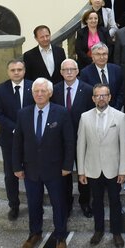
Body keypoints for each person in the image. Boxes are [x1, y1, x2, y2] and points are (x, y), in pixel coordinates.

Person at [13, 78, 74, 248]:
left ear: (50, 93)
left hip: (55, 169)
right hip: (31, 169)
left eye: (43, 91)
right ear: (32, 94)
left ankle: (60, 236)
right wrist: (17, 166)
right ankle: (34, 233)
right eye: (36, 91)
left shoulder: (61, 113)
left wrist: (67, 165)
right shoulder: (23, 114)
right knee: (33, 203)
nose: (39, 94)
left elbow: (69, 142)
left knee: (58, 204)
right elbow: (17, 143)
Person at [77, 83, 125, 248]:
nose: (101, 98)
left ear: (110, 97)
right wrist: (81, 171)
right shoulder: (85, 117)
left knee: (115, 202)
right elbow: (81, 145)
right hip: (92, 168)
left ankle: (116, 232)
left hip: (113, 169)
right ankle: (98, 230)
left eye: (104, 95)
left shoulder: (120, 117)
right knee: (97, 202)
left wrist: (123, 170)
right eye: (97, 95)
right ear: (93, 98)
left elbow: (124, 145)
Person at [51, 59, 95, 216]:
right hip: (61, 141)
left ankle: (85, 202)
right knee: (65, 174)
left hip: (82, 139)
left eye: (72, 69)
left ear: (77, 71)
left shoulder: (89, 90)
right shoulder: (54, 90)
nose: (69, 72)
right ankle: (67, 203)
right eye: (65, 69)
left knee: (84, 172)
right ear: (61, 72)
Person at [0, 59, 33, 220]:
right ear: (8, 72)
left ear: (24, 71)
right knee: (11, 174)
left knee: (32, 174)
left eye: (19, 69)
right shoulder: (1, 89)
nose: (16, 72)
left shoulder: (34, 87)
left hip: (31, 139)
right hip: (9, 138)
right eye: (13, 70)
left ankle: (34, 204)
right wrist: (16, 128)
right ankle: (14, 206)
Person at [79, 43, 124, 110]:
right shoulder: (85, 73)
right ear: (92, 56)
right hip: (95, 112)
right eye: (98, 54)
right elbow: (85, 95)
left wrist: (115, 109)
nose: (102, 57)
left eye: (104, 54)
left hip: (115, 110)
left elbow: (121, 92)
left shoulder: (116, 70)